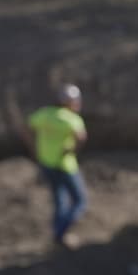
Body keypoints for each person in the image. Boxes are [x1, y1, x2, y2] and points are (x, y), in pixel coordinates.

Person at [26, 86, 88, 246]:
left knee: (60, 199)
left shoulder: (44, 114)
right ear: (69, 102)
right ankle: (60, 232)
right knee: (80, 201)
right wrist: (72, 149)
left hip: (47, 163)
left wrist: (35, 149)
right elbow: (81, 137)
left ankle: (57, 234)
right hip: (65, 165)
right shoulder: (72, 119)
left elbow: (29, 126)